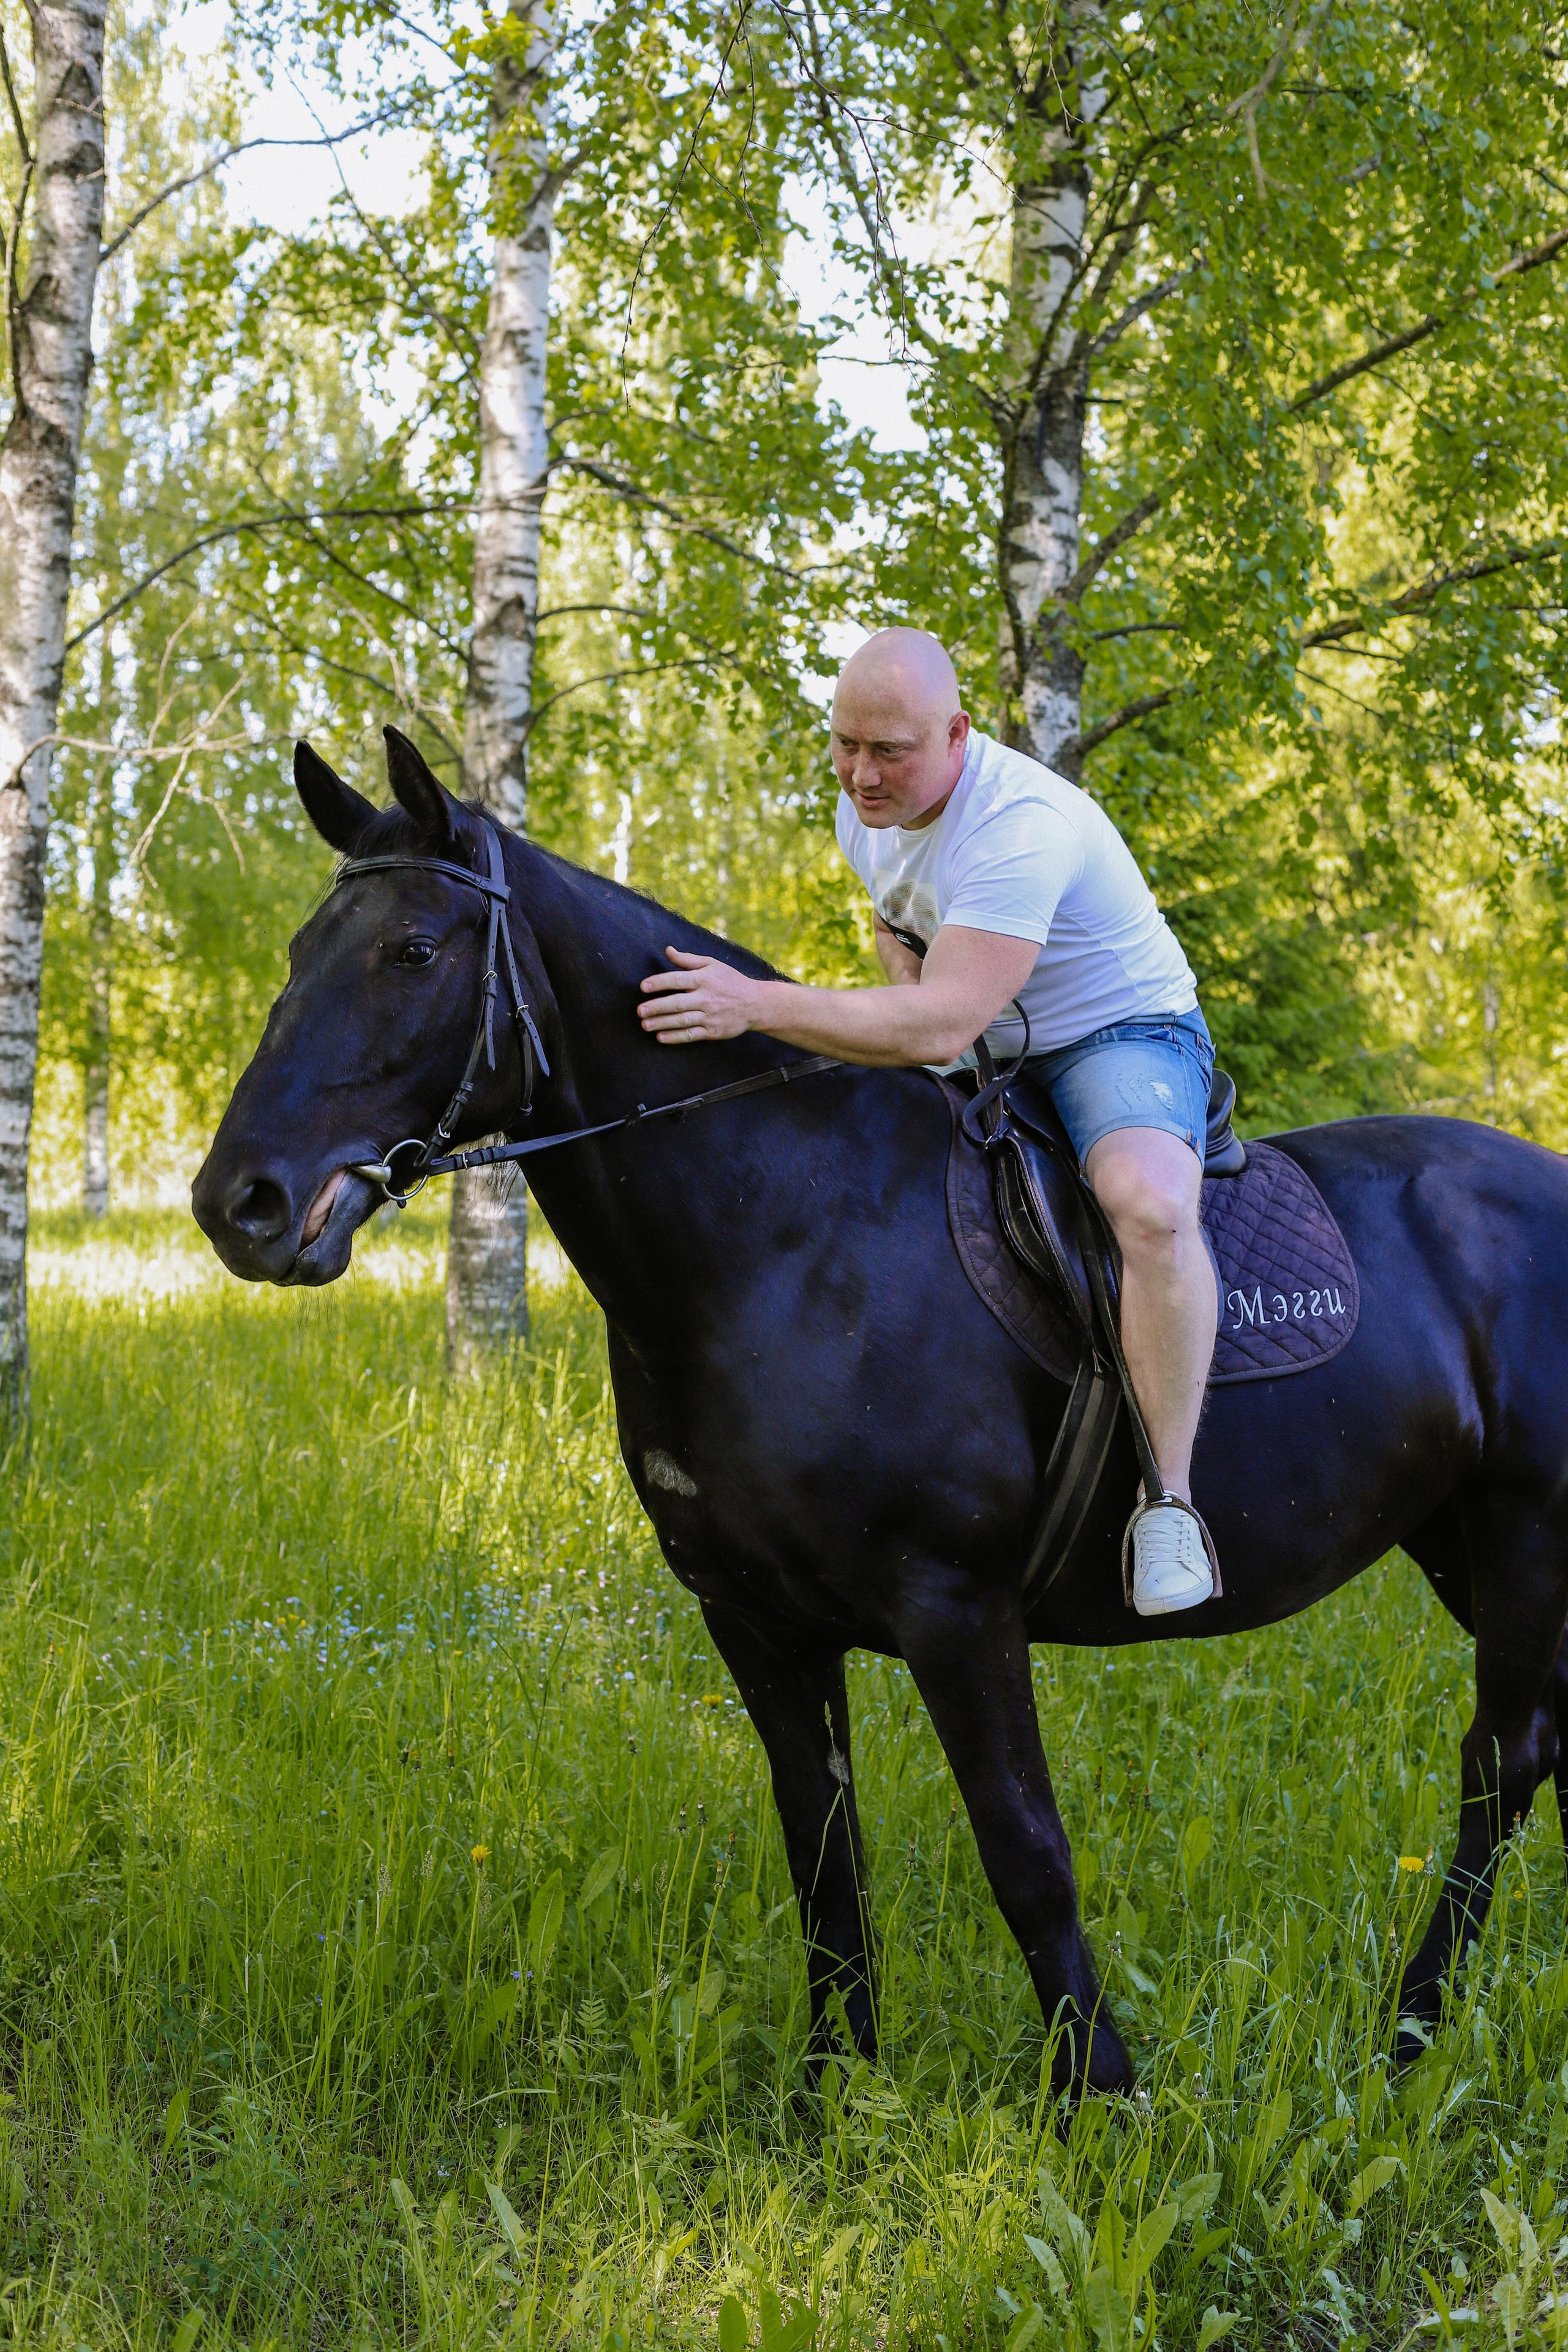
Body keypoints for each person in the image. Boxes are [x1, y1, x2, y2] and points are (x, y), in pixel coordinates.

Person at [636, 628, 1218, 1615]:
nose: (862, 774)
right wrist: (904, 983)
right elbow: (899, 913)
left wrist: (755, 1003)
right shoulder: (866, 806)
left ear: (956, 734)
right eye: (845, 744)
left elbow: (943, 1020)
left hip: (1117, 1031)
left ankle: (1169, 1502)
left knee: (1149, 1206)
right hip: (986, 1034)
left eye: (890, 752)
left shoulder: (1021, 824)